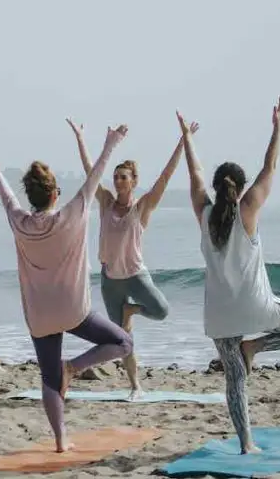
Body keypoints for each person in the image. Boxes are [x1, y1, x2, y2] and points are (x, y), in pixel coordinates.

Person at [0, 125, 134, 453]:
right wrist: (111, 143)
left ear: (32, 197)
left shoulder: (18, 221)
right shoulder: (70, 216)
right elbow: (95, 179)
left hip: (40, 316)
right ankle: (73, 368)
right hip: (74, 310)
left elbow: (4, 193)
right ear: (55, 194)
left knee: (49, 379)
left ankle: (61, 441)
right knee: (123, 342)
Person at [178, 98, 280, 454]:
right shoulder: (249, 210)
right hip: (257, 307)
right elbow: (270, 165)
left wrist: (187, 138)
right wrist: (277, 127)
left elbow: (194, 175)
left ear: (216, 188)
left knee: (235, 380)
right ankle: (256, 346)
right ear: (241, 188)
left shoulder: (204, 214)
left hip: (220, 314)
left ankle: (246, 444)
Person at [66, 117, 199, 400]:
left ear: (134, 181)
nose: (117, 181)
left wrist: (182, 141)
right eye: (115, 176)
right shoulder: (104, 202)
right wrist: (80, 137)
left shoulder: (143, 207)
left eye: (123, 177)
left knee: (161, 310)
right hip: (110, 281)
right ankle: (135, 386)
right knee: (123, 341)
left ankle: (133, 311)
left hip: (136, 277)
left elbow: (165, 176)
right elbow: (92, 171)